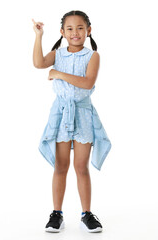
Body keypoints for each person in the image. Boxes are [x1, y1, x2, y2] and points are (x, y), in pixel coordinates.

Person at [32, 10, 112, 233]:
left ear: (88, 30)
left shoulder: (92, 56)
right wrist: (38, 36)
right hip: (60, 114)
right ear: (62, 32)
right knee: (61, 166)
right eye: (69, 28)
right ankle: (57, 214)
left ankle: (87, 214)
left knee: (81, 167)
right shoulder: (58, 53)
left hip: (83, 114)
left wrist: (58, 73)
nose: (75, 32)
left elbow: (87, 83)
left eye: (80, 28)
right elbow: (39, 63)